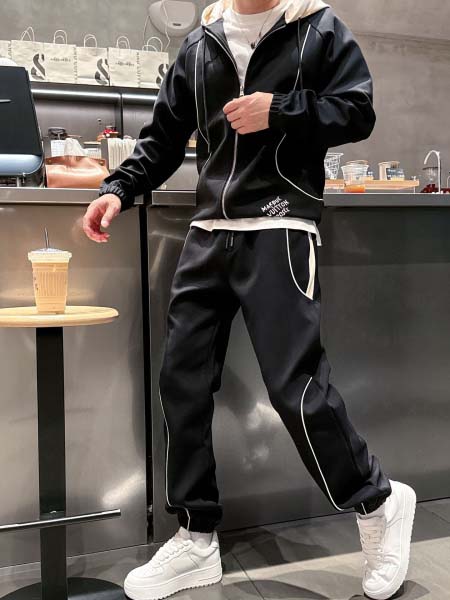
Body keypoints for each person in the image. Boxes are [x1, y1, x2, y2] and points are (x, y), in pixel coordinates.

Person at [83, 1, 416, 599]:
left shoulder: (318, 28)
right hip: (209, 231)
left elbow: (357, 111)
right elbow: (164, 137)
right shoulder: (201, 44)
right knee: (181, 382)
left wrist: (279, 110)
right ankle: (196, 537)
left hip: (280, 227)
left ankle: (378, 504)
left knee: (295, 388)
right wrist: (119, 188)